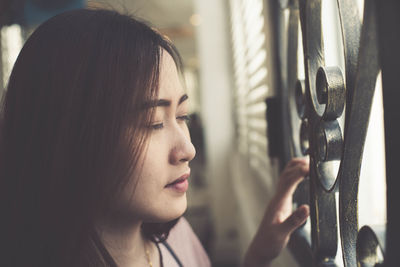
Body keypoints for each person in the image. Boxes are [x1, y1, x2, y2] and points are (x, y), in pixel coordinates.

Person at [0, 8, 309, 267]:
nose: (187, 150)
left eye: (182, 116)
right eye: (153, 122)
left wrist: (258, 255)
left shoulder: (176, 237)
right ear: (69, 136)